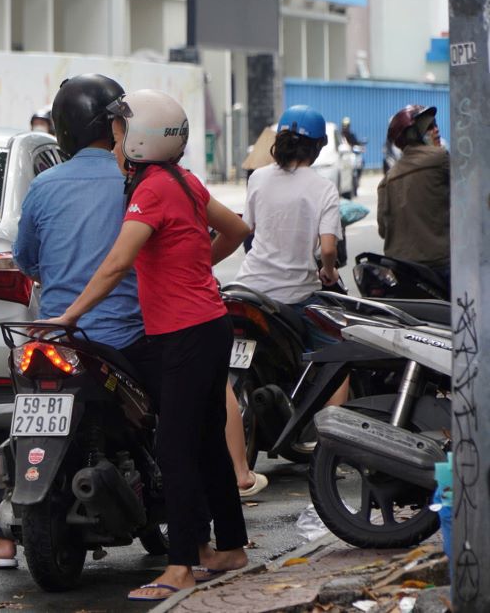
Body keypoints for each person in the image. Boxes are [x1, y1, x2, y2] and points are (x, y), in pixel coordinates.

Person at [37, 89, 251, 602]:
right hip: (209, 325)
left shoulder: (151, 190)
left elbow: (114, 264)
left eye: (117, 132)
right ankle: (231, 547)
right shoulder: (185, 180)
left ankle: (180, 566)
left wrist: (69, 314)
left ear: (139, 140)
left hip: (184, 334)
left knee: (174, 446)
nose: (113, 141)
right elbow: (238, 229)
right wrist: (195, 266)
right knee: (203, 439)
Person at [0, 73, 144, 569]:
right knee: (179, 420)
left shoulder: (44, 185)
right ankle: (200, 533)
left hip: (55, 338)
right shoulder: (135, 182)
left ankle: (4, 535)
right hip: (126, 340)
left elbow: (28, 262)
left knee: (24, 416)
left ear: (64, 129)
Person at [232, 104, 350, 404]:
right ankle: (328, 439)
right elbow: (328, 248)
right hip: (293, 299)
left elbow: (245, 229)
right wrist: (329, 270)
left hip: (247, 291)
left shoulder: (257, 177)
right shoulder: (324, 188)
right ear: (319, 146)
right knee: (340, 359)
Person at [377, 104, 450, 285]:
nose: (437, 130)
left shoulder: (386, 181)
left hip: (400, 269)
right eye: (429, 126)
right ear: (411, 134)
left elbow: (383, 230)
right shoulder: (440, 158)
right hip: (440, 266)